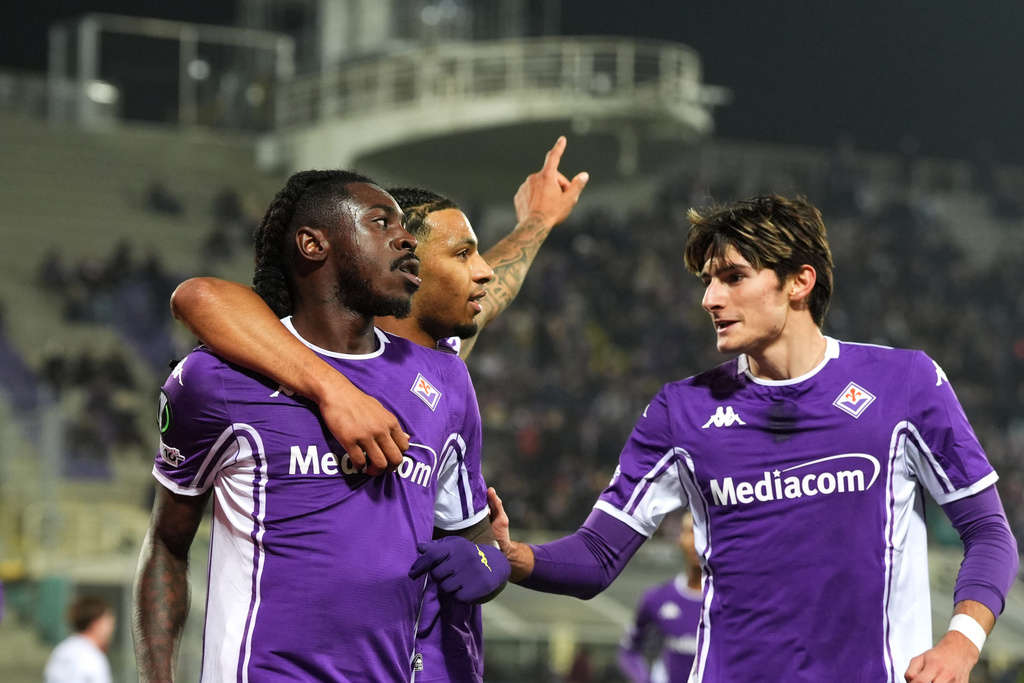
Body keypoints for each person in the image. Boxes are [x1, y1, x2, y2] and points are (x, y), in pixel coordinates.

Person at [487, 194, 1019, 683]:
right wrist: (511, 556)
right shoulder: (681, 411)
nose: (710, 299)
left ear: (799, 282)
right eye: (706, 281)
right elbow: (599, 554)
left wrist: (961, 643)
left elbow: (990, 534)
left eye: (733, 277)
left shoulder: (904, 384)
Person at [166, 138, 588, 682]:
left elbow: (497, 283)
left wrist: (537, 221)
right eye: (461, 255)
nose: (482, 272)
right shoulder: (270, 361)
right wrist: (333, 389)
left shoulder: (441, 367)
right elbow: (202, 297)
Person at [618, 511, 702, 683]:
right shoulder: (657, 599)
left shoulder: (733, 602)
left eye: (703, 532)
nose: (697, 541)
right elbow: (629, 651)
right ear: (680, 539)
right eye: (691, 532)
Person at [43, 596, 115, 683]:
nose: (111, 628)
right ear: (96, 624)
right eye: (108, 622)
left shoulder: (61, 650)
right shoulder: (92, 658)